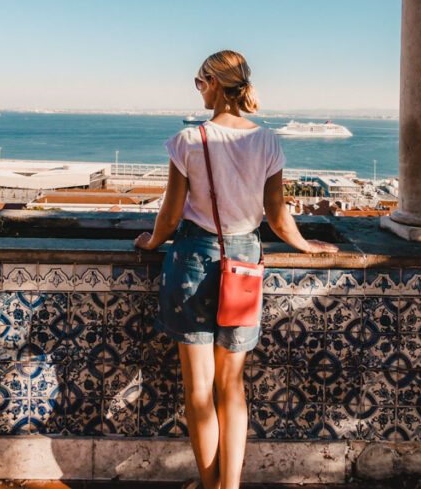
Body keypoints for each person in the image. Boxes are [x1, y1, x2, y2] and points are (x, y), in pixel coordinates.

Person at [135, 50, 338, 489]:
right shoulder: (266, 142)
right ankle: (230, 487)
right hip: (244, 261)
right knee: (232, 385)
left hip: (191, 259)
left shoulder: (188, 141)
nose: (199, 89)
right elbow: (279, 218)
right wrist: (308, 245)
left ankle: (209, 486)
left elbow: (169, 217)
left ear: (211, 82)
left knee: (199, 390)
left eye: (198, 81)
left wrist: (149, 241)